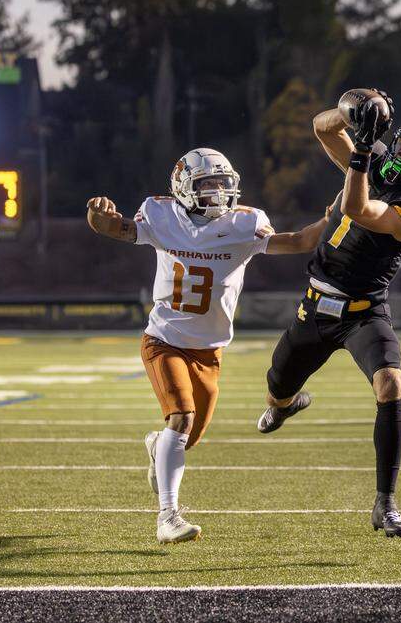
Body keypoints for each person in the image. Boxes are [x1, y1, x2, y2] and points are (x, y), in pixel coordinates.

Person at [85, 148, 331, 544]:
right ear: (184, 188)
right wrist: (97, 218)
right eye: (207, 184)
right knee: (180, 418)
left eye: (222, 183)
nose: (218, 192)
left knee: (186, 436)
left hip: (209, 351)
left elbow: (300, 241)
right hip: (164, 339)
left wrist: (332, 220)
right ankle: (168, 517)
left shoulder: (244, 224)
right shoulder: (161, 215)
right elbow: (116, 229)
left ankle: (157, 445)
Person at [257, 90, 401, 539]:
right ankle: (285, 406)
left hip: (364, 311)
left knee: (390, 382)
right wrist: (354, 110)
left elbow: (357, 209)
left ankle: (385, 502)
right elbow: (323, 127)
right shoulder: (376, 155)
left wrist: (363, 149)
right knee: (277, 392)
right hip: (315, 306)